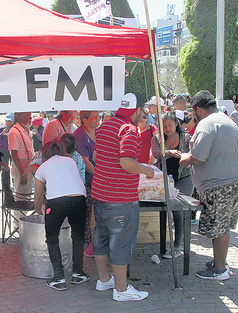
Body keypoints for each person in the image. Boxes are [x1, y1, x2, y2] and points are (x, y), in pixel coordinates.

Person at [92, 93, 155, 302]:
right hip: (120, 198)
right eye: (143, 112)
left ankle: (103, 279)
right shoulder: (128, 129)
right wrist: (146, 170)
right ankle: (121, 289)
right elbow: (127, 162)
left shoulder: (104, 127)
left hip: (100, 193)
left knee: (101, 237)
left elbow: (96, 157)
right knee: (121, 241)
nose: (143, 116)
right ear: (136, 111)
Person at [180, 90, 238, 281]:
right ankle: (219, 261)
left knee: (219, 228)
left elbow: (198, 157)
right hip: (233, 182)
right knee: (222, 226)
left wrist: (184, 158)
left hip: (220, 185)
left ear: (198, 109)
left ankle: (220, 269)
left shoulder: (208, 124)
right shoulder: (226, 120)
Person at [34, 139, 89, 291]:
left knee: (52, 238)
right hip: (79, 198)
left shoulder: (42, 168)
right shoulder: (70, 161)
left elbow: (38, 196)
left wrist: (39, 210)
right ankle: (78, 273)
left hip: (56, 202)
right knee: (78, 236)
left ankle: (59, 278)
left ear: (43, 154)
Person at [152, 111, 193, 258]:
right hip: (165, 179)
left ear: (177, 124)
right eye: (164, 125)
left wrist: (182, 155)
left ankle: (178, 244)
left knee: (179, 210)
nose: (167, 128)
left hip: (184, 177)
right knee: (166, 211)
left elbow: (192, 153)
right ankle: (168, 243)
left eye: (170, 125)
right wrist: (169, 152)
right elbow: (156, 153)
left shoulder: (186, 137)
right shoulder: (157, 138)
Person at [73, 110, 100, 257]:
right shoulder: (80, 135)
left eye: (98, 116)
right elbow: (85, 161)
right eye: (93, 117)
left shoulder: (97, 132)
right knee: (86, 214)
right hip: (86, 182)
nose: (97, 119)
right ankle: (86, 245)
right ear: (84, 120)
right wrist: (100, 176)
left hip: (95, 179)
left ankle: (93, 244)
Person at [8, 112, 35, 200]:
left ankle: (25, 213)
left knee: (27, 195)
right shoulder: (14, 132)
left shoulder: (26, 129)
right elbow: (14, 154)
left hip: (28, 165)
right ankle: (19, 214)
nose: (31, 118)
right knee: (21, 196)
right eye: (28, 116)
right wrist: (22, 172)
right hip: (21, 167)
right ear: (20, 117)